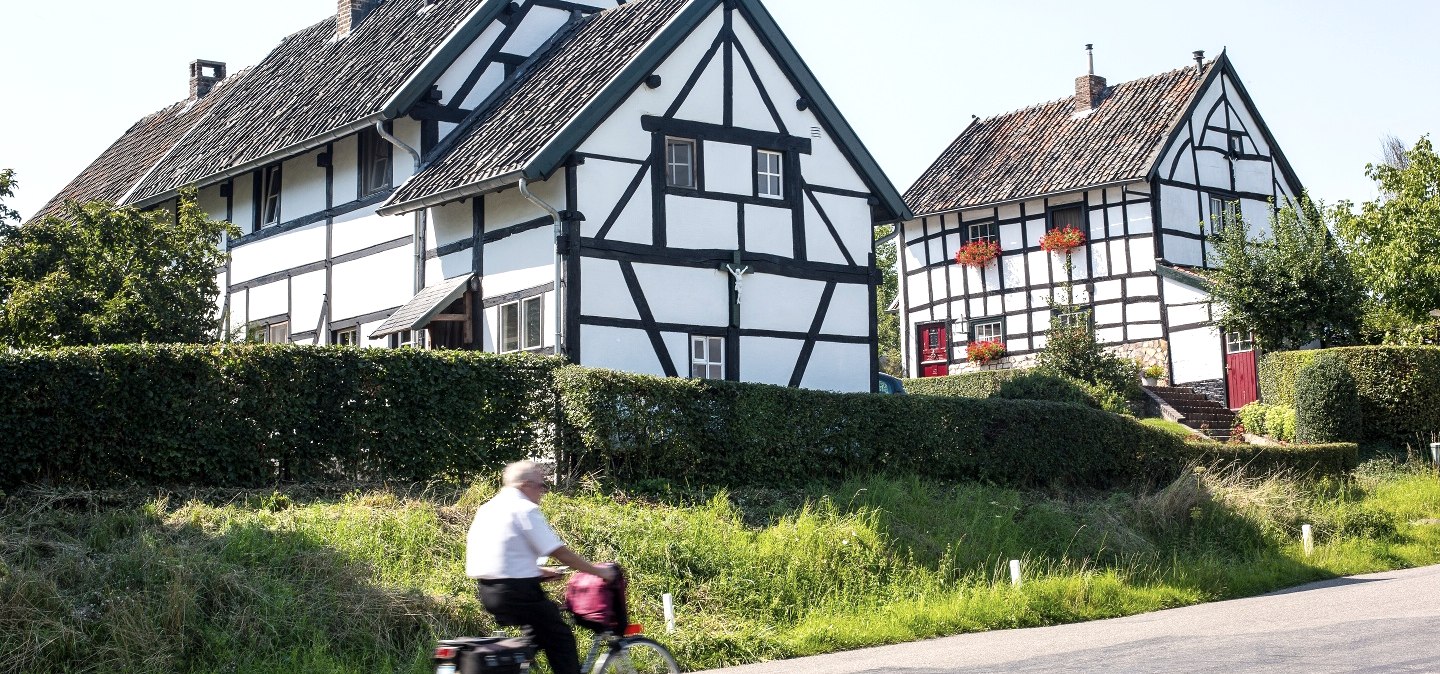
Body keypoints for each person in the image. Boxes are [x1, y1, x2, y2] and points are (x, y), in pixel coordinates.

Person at [467, 460, 616, 674]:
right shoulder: (524, 508)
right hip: (518, 592)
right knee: (561, 637)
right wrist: (599, 571)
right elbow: (559, 552)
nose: (543, 492)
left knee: (536, 634)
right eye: (541, 486)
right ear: (526, 484)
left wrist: (538, 572)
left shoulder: (487, 508)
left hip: (488, 591)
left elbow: (501, 553)